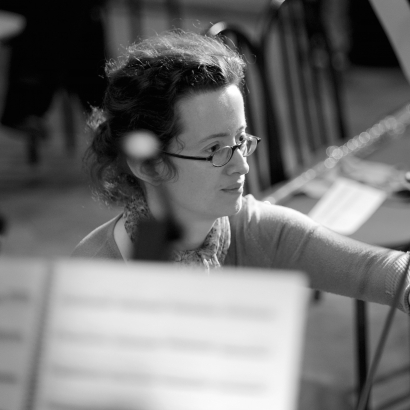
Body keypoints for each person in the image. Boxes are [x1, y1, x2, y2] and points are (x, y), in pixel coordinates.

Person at [72, 30, 410, 314]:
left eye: (240, 139)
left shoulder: (254, 230)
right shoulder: (91, 278)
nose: (242, 165)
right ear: (149, 165)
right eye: (214, 149)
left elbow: (383, 272)